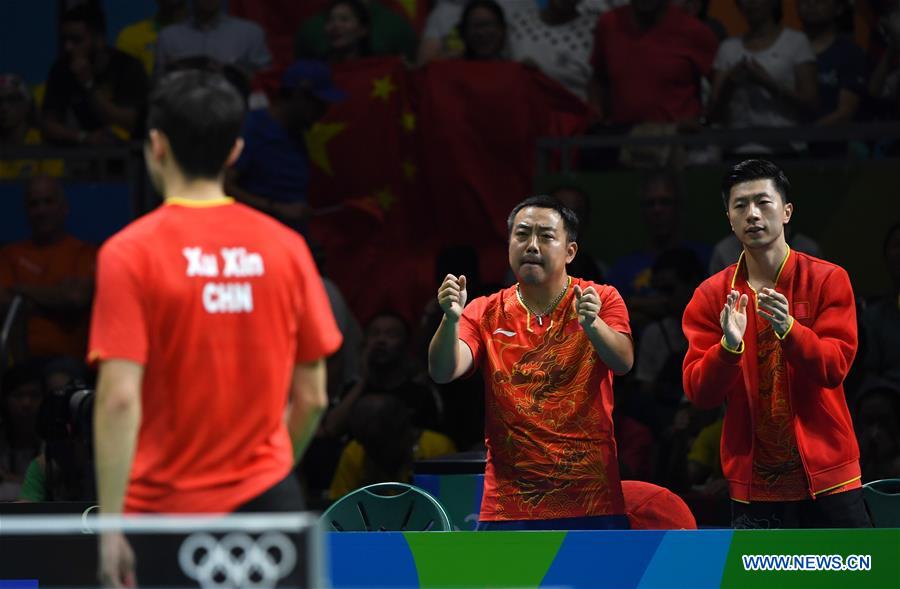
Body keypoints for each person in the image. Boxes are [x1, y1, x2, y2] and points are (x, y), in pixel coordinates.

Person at [89, 70, 342, 586]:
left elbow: (118, 399)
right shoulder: (285, 248)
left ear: (156, 145)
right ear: (234, 151)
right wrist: (268, 471)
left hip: (160, 512)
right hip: (269, 504)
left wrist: (111, 525)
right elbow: (313, 396)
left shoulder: (129, 252)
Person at [682, 159, 871, 529]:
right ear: (729, 219)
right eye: (740, 206)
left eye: (763, 203)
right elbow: (698, 394)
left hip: (829, 475)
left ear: (786, 212)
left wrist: (789, 328)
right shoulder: (711, 295)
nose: (752, 214)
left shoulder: (827, 280)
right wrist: (727, 348)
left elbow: (834, 368)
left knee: (850, 580)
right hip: (754, 483)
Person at [428, 195, 634, 530]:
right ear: (509, 244)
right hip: (509, 503)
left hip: (590, 498)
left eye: (546, 236)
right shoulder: (483, 310)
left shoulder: (602, 298)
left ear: (570, 251)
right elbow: (443, 371)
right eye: (522, 235)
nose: (532, 245)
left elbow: (623, 362)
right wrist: (450, 321)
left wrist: (593, 325)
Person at [225, 60, 345, 231]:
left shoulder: (297, 132)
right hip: (258, 235)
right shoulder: (252, 129)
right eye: (318, 104)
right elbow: (224, 187)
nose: (323, 112)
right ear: (299, 96)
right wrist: (276, 208)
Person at [0, 175, 96, 360]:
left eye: (48, 201)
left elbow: (76, 298)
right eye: (34, 204)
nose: (41, 210)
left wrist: (21, 290)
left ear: (64, 207)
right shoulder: (9, 254)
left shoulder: (86, 253)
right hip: (18, 364)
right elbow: (3, 303)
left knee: (59, 380)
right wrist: (57, 297)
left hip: (71, 362)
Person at [42, 3, 149, 145]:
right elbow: (48, 125)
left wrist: (88, 84)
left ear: (99, 39)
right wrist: (83, 137)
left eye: (76, 40)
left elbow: (129, 122)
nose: (68, 47)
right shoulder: (60, 70)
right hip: (80, 159)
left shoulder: (127, 67)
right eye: (65, 40)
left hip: (127, 158)